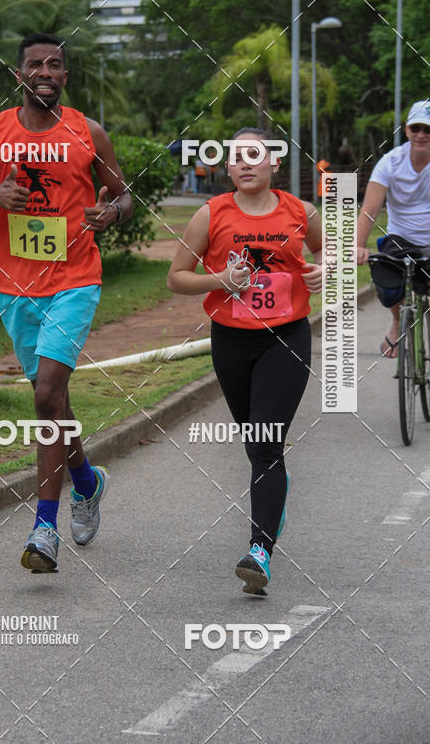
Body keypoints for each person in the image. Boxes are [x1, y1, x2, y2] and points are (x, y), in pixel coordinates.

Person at [0, 33, 132, 572]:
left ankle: (43, 530)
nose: (45, 71)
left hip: (76, 280)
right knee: (51, 401)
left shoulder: (87, 132)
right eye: (35, 64)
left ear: (65, 75)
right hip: (17, 287)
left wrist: (111, 215)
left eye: (55, 64)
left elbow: (122, 194)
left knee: (48, 392)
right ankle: (86, 480)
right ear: (20, 74)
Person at [167, 128, 322, 595]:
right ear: (228, 168)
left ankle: (259, 550)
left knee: (265, 445)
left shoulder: (302, 212)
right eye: (237, 157)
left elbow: (327, 252)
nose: (246, 163)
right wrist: (220, 281)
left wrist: (321, 270)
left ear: (275, 163)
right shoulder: (210, 214)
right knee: (255, 441)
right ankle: (272, 510)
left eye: (256, 154)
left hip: (287, 337)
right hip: (231, 342)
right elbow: (176, 278)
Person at [356, 100, 430, 357]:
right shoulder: (390, 162)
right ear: (407, 130)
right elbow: (370, 209)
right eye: (416, 128)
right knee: (389, 287)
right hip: (400, 238)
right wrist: (358, 246)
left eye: (427, 130)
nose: (421, 135)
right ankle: (397, 323)